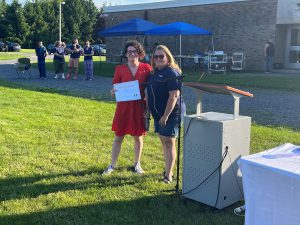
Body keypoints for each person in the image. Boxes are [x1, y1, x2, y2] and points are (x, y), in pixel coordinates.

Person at [102, 40, 152, 175]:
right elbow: (115, 87)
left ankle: (137, 164)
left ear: (139, 53)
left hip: (139, 107)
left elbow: (153, 85)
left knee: (138, 136)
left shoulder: (146, 68)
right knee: (118, 136)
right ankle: (112, 165)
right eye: (129, 52)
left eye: (134, 51)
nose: (131, 54)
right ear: (125, 54)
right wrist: (113, 92)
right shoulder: (120, 69)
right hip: (123, 107)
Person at [146, 45, 182, 184]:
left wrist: (166, 116)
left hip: (170, 114)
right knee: (163, 141)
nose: (159, 59)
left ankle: (169, 175)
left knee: (169, 142)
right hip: (158, 114)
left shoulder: (171, 72)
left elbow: (173, 96)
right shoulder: (153, 73)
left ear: (168, 57)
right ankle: (168, 169)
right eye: (156, 56)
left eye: (162, 56)